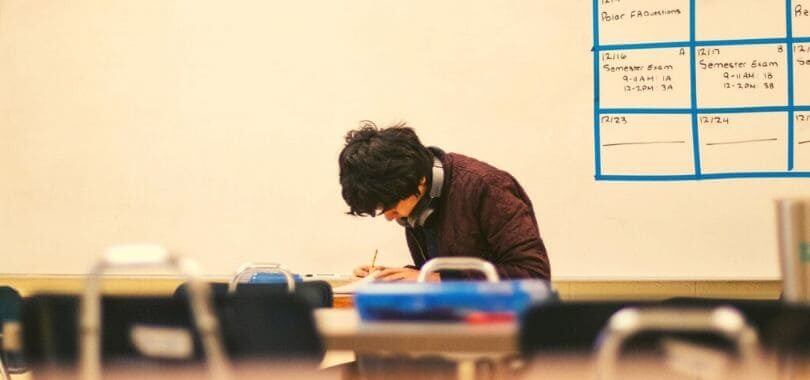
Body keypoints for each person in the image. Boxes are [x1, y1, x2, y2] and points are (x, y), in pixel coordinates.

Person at [338, 121, 550, 282]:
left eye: (391, 207)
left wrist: (436, 280)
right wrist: (395, 277)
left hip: (502, 330)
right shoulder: (419, 202)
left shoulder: (487, 187)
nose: (389, 217)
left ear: (419, 181)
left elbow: (534, 275)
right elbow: (447, 270)